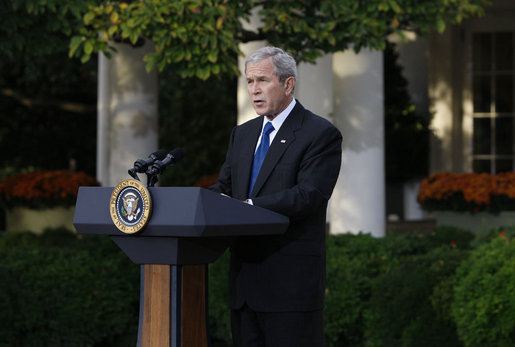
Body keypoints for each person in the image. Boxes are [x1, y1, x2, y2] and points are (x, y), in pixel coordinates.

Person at [210, 46, 342, 347]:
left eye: (263, 81)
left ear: (288, 84)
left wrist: (249, 207)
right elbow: (223, 190)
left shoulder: (319, 133)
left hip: (290, 289)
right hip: (244, 287)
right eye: (249, 82)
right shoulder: (242, 135)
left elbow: (309, 195)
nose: (254, 90)